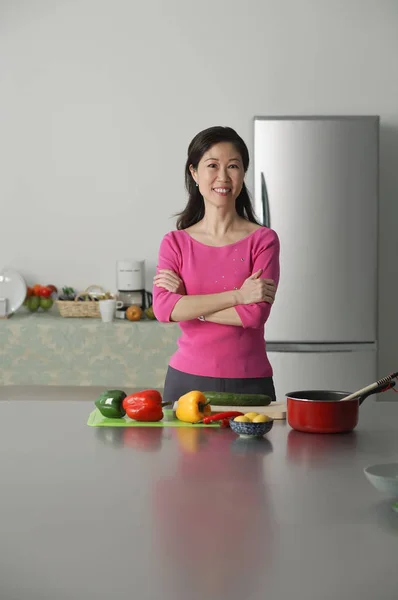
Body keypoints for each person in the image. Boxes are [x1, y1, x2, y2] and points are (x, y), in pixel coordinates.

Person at [152, 125, 280, 404]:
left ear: (243, 173)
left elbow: (254, 315)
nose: (223, 176)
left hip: (250, 381)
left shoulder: (263, 240)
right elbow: (163, 310)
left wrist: (187, 305)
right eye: (212, 165)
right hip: (186, 379)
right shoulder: (175, 243)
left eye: (233, 166)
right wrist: (238, 296)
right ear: (194, 172)